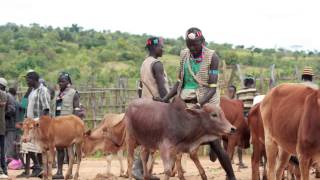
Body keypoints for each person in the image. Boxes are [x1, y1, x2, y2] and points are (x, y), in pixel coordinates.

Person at [160, 27, 236, 180]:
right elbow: (179, 82)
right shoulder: (184, 55)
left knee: (216, 146)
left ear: (202, 41)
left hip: (206, 102)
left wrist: (199, 105)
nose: (192, 48)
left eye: (195, 45)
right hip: (186, 101)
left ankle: (231, 175)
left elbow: (212, 88)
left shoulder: (212, 57)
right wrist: (165, 99)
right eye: (189, 45)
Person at [132, 37, 169, 180]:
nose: (163, 49)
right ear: (154, 48)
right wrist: (168, 103)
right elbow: (161, 87)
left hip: (145, 106)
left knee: (148, 140)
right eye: (161, 46)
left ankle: (144, 172)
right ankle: (138, 169)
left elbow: (141, 87)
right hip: (156, 107)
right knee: (151, 141)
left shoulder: (144, 63)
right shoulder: (157, 64)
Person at [18, 71, 51, 178]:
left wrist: (39, 123)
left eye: (28, 79)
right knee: (27, 145)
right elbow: (25, 105)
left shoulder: (43, 90)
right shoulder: (32, 91)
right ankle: (38, 167)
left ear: (34, 79)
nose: (27, 81)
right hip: (30, 123)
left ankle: (42, 168)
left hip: (37, 123)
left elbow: (46, 109)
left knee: (39, 147)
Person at [52, 72, 81, 179]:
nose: (60, 83)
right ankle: (59, 172)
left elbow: (77, 111)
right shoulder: (57, 93)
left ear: (68, 82)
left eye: (63, 81)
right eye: (59, 81)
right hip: (57, 125)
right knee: (59, 147)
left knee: (70, 149)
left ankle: (70, 172)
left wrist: (74, 126)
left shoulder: (74, 93)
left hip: (68, 126)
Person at [5, 87, 18, 163]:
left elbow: (11, 111)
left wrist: (3, 113)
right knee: (10, 143)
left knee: (9, 144)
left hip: (11, 124)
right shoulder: (13, 98)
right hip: (11, 125)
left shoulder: (9, 97)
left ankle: (9, 161)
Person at [0, 78, 9, 179]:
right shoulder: (5, 95)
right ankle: (4, 170)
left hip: (1, 126)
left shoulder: (3, 94)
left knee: (1, 150)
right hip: (2, 126)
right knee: (2, 150)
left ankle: (2, 170)